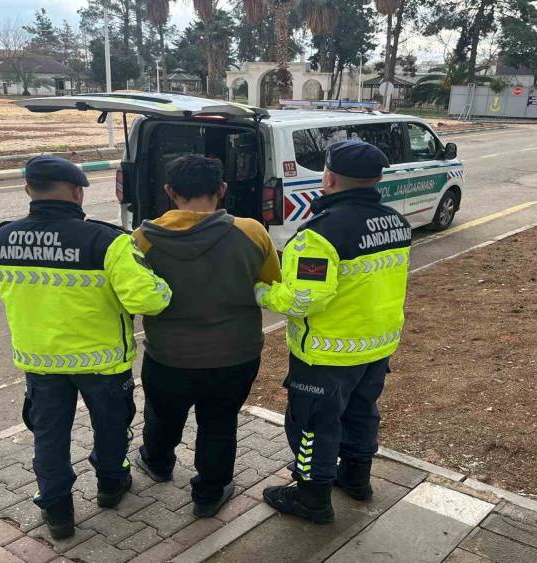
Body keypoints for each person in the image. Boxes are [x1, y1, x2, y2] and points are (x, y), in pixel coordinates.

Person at [0, 156, 171, 539]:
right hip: (102, 362)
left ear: (28, 190)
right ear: (77, 193)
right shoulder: (107, 242)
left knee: (49, 437)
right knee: (111, 427)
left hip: (40, 362)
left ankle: (57, 513)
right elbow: (148, 300)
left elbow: (2, 286)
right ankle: (111, 486)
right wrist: (161, 285)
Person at [254, 140, 411, 524]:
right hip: (377, 345)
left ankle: (312, 497)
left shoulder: (320, 235)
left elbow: (304, 299)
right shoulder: (396, 221)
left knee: (312, 426)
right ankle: (356, 479)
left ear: (329, 177)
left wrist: (262, 292)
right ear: (377, 178)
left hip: (328, 354)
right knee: (360, 413)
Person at [131, 154, 281, 517]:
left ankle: (157, 463)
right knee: (219, 422)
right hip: (236, 355)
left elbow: (133, 294)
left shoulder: (142, 239)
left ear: (170, 191)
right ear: (222, 189)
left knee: (163, 415)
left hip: (168, 356)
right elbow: (272, 283)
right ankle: (209, 495)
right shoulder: (252, 232)